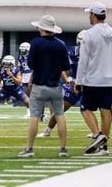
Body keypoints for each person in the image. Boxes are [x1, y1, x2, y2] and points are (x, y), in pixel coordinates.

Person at [18, 15, 70, 158]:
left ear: (41, 28)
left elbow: (31, 64)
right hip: (55, 86)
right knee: (59, 115)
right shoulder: (61, 44)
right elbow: (66, 66)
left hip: (39, 86)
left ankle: (29, 149)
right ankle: (63, 149)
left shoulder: (36, 43)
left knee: (34, 116)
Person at [75, 2, 112, 156]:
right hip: (110, 79)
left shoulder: (89, 34)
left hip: (93, 79)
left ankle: (97, 136)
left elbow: (83, 60)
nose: (89, 16)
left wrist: (78, 81)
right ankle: (104, 146)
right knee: (106, 110)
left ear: (94, 15)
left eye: (90, 14)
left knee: (85, 108)